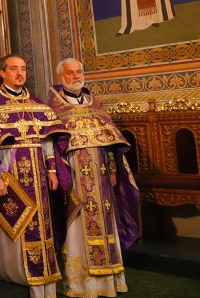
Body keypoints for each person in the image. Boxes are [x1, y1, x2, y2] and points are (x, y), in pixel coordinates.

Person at [0, 54, 68, 298]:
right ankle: (16, 274)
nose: (20, 73)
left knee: (40, 225)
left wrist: (52, 170)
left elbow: (47, 140)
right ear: (2, 73)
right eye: (14, 69)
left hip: (38, 174)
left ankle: (42, 272)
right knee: (16, 222)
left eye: (23, 68)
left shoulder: (36, 103)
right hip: (8, 173)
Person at [47, 58, 140, 298]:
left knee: (105, 220)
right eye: (70, 73)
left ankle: (109, 282)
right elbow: (52, 144)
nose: (76, 76)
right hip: (75, 174)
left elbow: (109, 142)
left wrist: (111, 169)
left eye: (79, 72)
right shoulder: (54, 106)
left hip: (100, 175)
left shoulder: (93, 102)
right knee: (78, 225)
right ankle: (81, 285)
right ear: (61, 77)